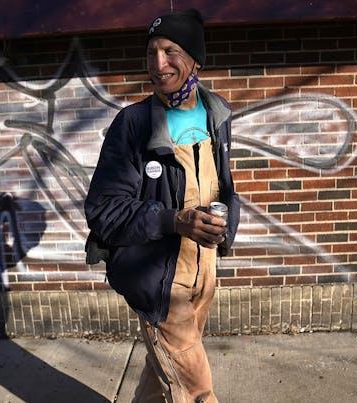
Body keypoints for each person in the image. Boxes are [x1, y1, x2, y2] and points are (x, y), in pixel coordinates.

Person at [85, 8, 240, 403]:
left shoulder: (216, 114)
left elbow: (223, 183)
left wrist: (226, 226)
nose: (158, 63)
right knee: (195, 387)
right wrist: (175, 220)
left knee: (165, 374)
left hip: (205, 268)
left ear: (195, 59)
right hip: (159, 279)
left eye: (170, 50)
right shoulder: (133, 124)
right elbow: (104, 209)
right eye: (152, 51)